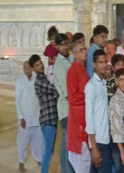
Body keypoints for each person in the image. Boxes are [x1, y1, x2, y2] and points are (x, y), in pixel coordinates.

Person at [29, 54, 58, 173]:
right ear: (33, 69)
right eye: (37, 65)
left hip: (53, 118)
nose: (40, 66)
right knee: (47, 151)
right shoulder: (39, 82)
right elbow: (55, 89)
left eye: (40, 63)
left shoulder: (45, 77)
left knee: (50, 151)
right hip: (48, 120)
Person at [85, 50, 112, 173]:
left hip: (105, 138)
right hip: (99, 141)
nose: (104, 65)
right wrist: (94, 147)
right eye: (100, 62)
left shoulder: (103, 83)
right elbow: (89, 118)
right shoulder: (91, 87)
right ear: (94, 65)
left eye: (105, 61)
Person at [67, 42, 91, 173]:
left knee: (82, 159)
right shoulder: (73, 71)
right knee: (83, 157)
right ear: (75, 54)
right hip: (78, 121)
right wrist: (89, 96)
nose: (85, 52)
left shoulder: (82, 69)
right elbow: (73, 98)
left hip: (84, 118)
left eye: (85, 49)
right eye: (81, 50)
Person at [15, 61, 43, 172]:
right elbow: (17, 100)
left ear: (32, 68)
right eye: (24, 67)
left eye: (28, 67)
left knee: (38, 140)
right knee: (22, 141)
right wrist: (20, 117)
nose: (26, 69)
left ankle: (38, 158)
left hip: (37, 116)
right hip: (25, 118)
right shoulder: (20, 81)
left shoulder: (38, 79)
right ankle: (21, 162)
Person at [53, 33, 74, 173]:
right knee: (67, 144)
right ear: (58, 47)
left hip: (70, 108)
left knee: (69, 144)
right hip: (66, 109)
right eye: (63, 45)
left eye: (67, 44)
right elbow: (67, 93)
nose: (66, 47)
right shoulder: (60, 64)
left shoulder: (67, 60)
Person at [109, 68, 124, 173]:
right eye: (121, 80)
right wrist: (122, 152)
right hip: (119, 145)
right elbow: (115, 129)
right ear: (116, 81)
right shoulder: (115, 101)